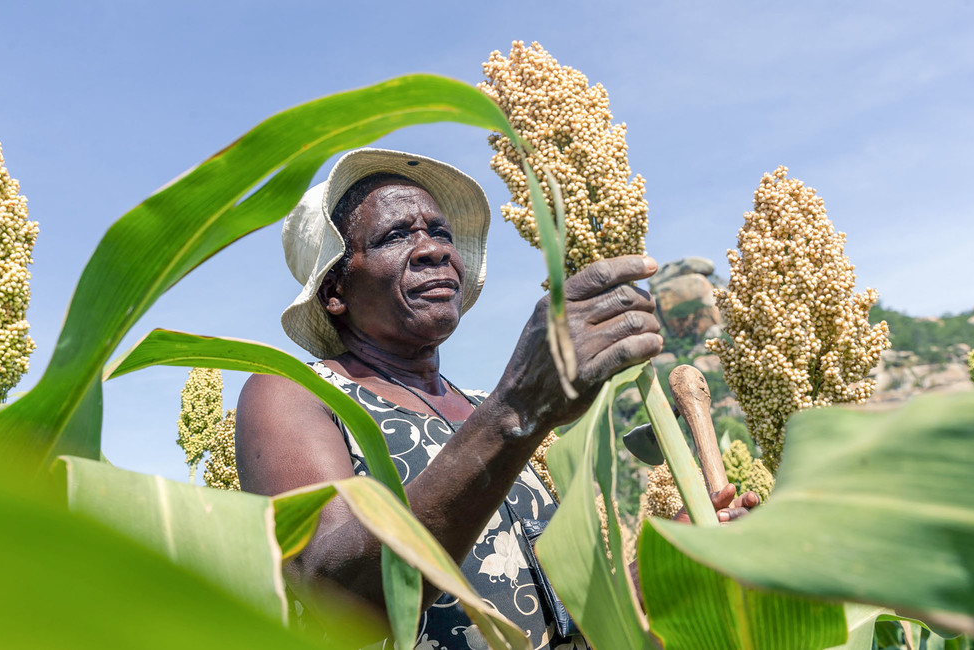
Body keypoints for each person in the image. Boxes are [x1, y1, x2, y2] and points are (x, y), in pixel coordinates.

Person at [236, 148, 757, 649]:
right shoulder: (295, 393)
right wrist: (517, 411)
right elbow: (336, 596)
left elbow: (550, 610)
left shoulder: (481, 405)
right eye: (396, 235)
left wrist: (669, 565)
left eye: (440, 232)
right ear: (334, 290)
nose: (436, 248)